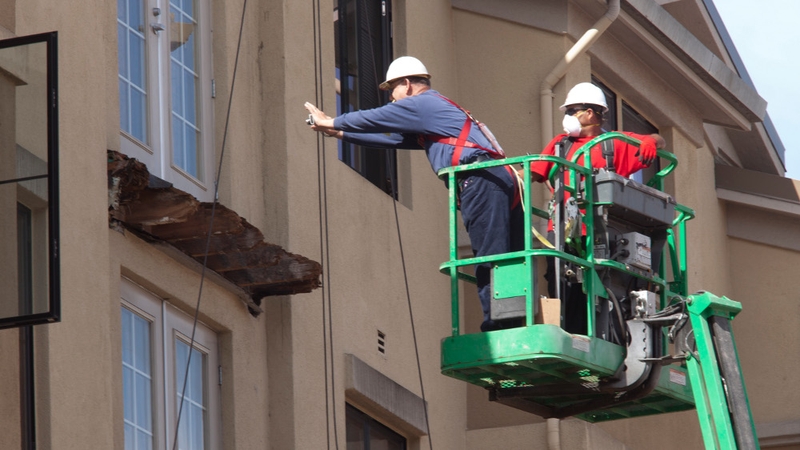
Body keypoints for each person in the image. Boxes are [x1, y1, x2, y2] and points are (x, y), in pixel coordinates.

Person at [304, 56, 523, 332]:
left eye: (392, 91)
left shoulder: (422, 104)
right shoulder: (435, 111)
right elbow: (390, 138)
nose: (392, 100)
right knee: (507, 255)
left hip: (480, 179)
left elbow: (376, 118)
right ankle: (514, 322)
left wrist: (331, 120)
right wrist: (341, 133)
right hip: (499, 179)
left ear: (406, 85)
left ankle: (499, 328)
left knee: (488, 255)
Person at [527, 82, 665, 334]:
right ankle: (569, 338)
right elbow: (532, 172)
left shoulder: (613, 144)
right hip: (561, 229)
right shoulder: (561, 144)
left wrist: (649, 140)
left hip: (601, 231)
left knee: (601, 287)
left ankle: (599, 336)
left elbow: (659, 139)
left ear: (590, 113)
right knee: (560, 284)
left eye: (572, 110)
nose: (567, 117)